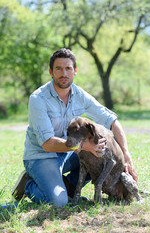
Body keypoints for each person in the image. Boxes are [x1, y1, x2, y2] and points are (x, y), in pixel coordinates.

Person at [12, 48, 137, 207]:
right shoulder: (38, 99)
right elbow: (47, 143)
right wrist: (85, 146)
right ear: (51, 72)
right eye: (58, 68)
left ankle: (66, 185)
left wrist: (126, 154)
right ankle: (28, 184)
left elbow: (112, 121)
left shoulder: (80, 95)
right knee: (59, 201)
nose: (64, 73)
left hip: (69, 152)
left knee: (99, 155)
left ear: (75, 71)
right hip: (41, 156)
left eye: (68, 68)